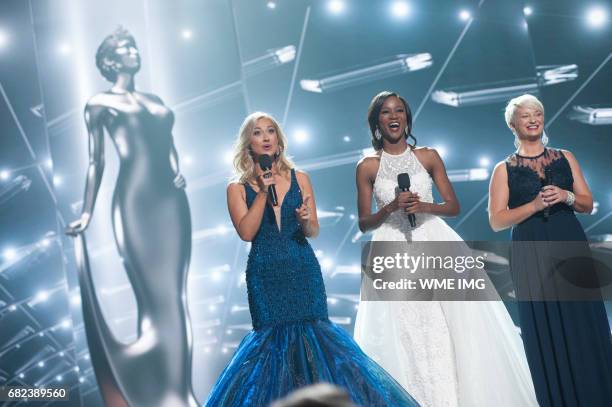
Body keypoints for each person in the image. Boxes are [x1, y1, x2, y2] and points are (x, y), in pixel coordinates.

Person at [204, 112, 420, 407]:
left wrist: (305, 219)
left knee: (315, 341)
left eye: (271, 131)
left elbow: (313, 230)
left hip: (302, 268)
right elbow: (246, 231)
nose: (266, 137)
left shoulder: (300, 178)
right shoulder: (237, 187)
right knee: (270, 347)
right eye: (258, 133)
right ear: (248, 143)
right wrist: (264, 193)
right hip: (265, 274)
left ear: (279, 141)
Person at [354, 91, 538, 406]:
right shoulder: (367, 166)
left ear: (407, 118)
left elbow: (453, 205)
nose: (394, 116)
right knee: (405, 330)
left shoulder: (428, 156)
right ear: (376, 122)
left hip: (433, 240)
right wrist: (390, 208)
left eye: (400, 110)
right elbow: (364, 222)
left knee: (452, 327)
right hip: (392, 247)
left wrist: (423, 204)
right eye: (386, 112)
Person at [65, 27, 197, 407]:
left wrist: (176, 170)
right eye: (124, 48)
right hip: (136, 202)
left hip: (172, 201)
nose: (132, 52)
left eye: (134, 46)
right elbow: (96, 161)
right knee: (154, 298)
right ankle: (160, 393)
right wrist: (86, 212)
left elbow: (169, 147)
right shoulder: (99, 103)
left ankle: (180, 391)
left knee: (176, 296)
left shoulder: (153, 98)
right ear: (109, 61)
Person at [488, 93, 612, 406]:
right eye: (526, 115)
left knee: (582, 319)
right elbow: (497, 221)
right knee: (546, 325)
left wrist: (566, 196)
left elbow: (587, 203)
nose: (533, 120)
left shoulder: (565, 157)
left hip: (569, 241)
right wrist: (532, 204)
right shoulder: (504, 169)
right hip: (531, 249)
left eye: (538, 114)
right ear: (513, 125)